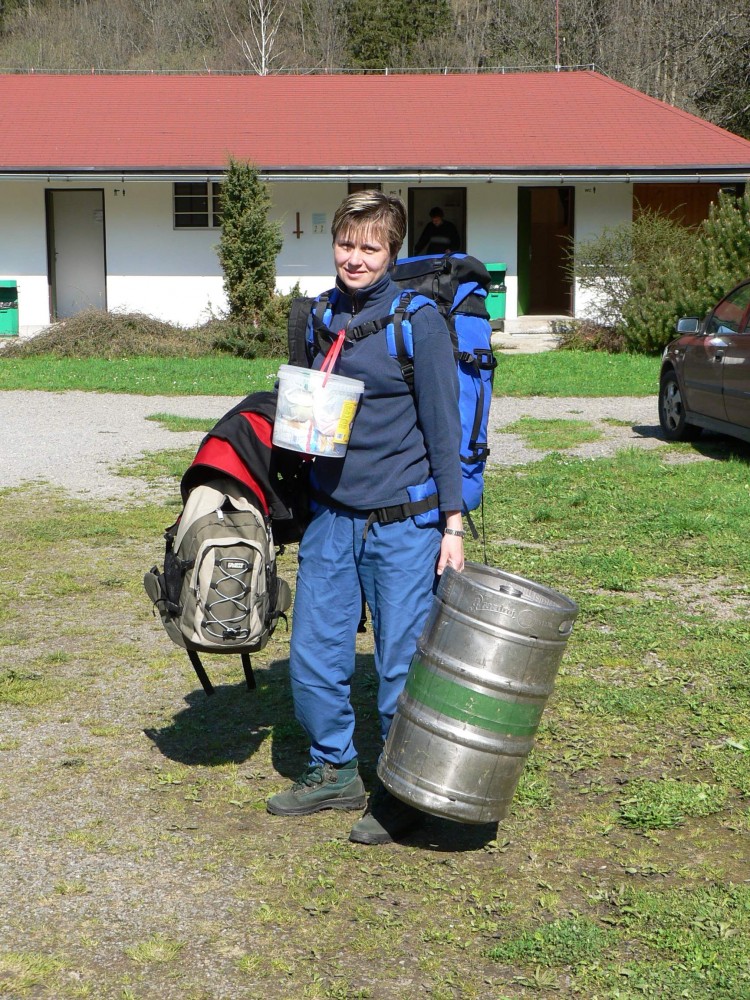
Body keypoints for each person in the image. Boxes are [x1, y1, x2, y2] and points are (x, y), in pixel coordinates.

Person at [267, 190, 465, 845]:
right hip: (331, 515)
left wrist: (452, 525)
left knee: (400, 665)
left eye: (370, 247)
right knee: (313, 655)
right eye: (346, 244)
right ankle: (334, 770)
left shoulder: (418, 322)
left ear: (392, 253)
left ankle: (404, 790)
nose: (355, 258)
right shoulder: (321, 315)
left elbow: (443, 426)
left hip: (403, 521)